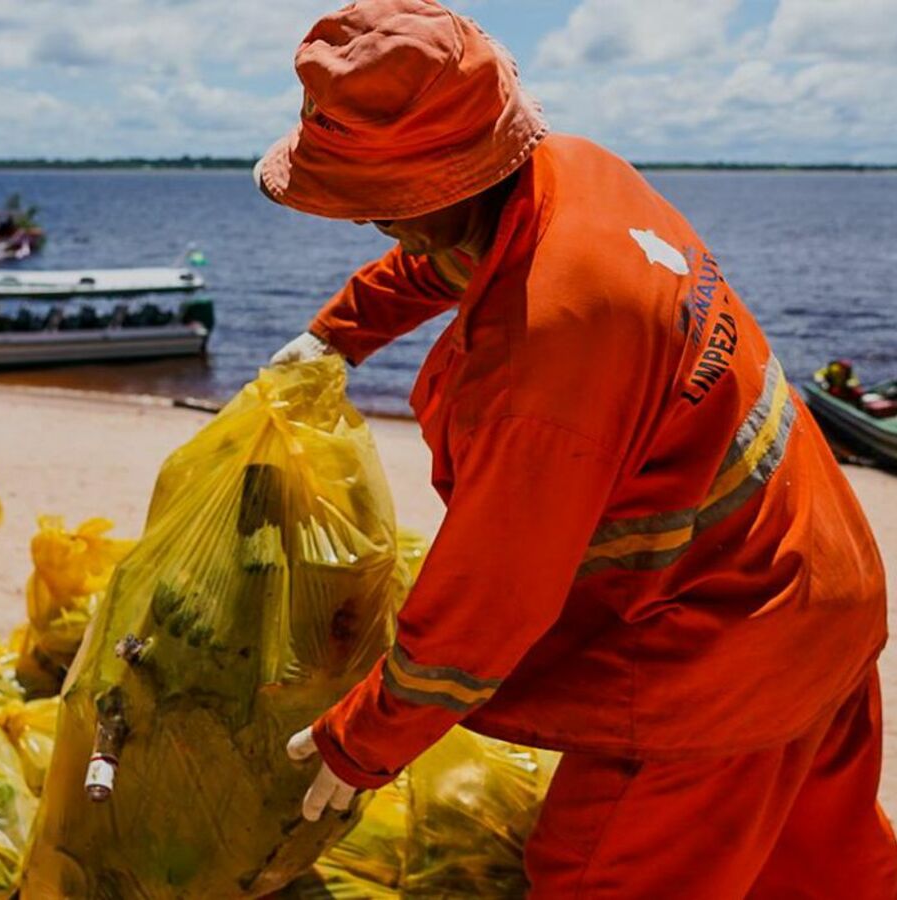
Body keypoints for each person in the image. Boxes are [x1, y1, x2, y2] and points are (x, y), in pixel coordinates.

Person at [258, 2, 896, 896]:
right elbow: (455, 250)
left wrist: (362, 742)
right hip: (824, 584)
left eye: (379, 207)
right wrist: (342, 332)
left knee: (599, 875)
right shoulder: (573, 173)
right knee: (816, 875)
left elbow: (487, 606)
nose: (373, 227)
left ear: (447, 185)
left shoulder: (543, 358)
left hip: (721, 652)